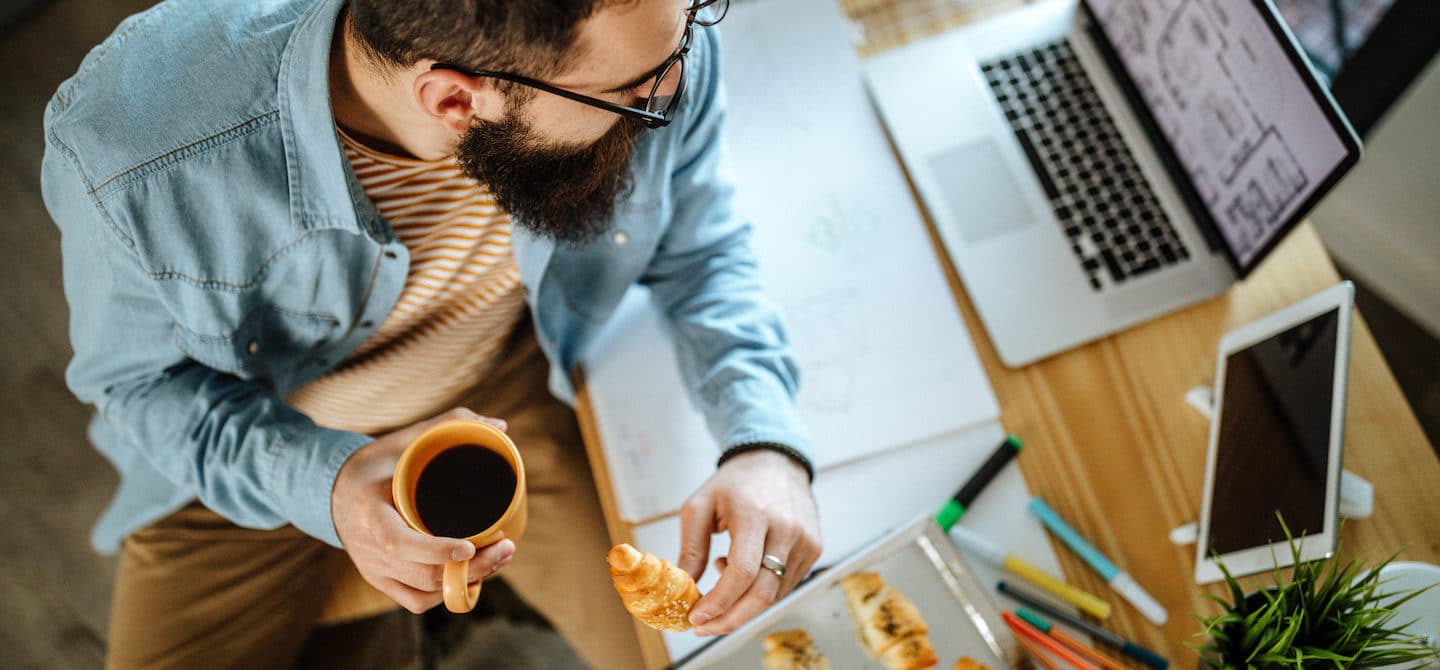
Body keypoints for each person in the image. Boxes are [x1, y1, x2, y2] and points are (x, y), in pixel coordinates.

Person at [41, 0, 822, 667]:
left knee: (721, 649)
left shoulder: (650, 36)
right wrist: (326, 484)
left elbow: (700, 246)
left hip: (512, 391)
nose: (676, 87)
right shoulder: (135, 156)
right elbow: (139, 388)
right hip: (253, 444)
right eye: (632, 96)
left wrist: (764, 442)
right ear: (455, 102)